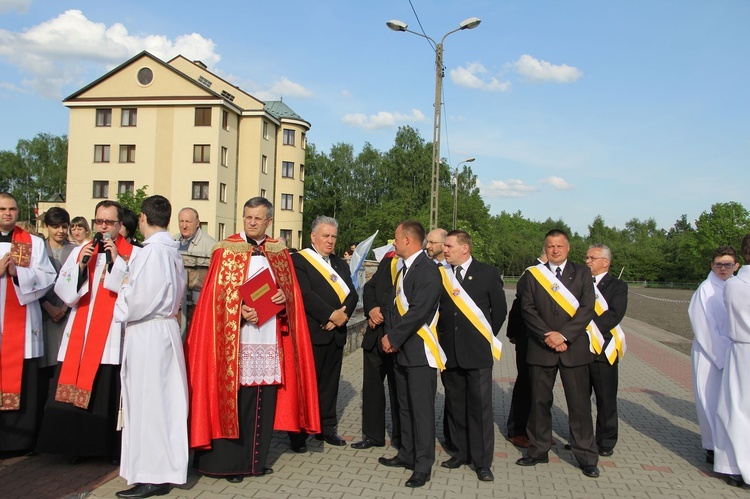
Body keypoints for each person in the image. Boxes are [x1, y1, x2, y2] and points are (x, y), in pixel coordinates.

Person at [187, 197, 319, 482]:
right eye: (248, 217)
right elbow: (214, 299)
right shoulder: (226, 249)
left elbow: (291, 294)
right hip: (236, 340)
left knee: (262, 400)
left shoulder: (279, 251)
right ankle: (229, 464)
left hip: (269, 337)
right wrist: (238, 313)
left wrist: (285, 300)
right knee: (237, 400)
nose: (252, 222)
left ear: (268, 221)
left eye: (258, 218)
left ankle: (254, 462)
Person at [36, 200, 138, 463]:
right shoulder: (82, 249)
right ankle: (75, 446)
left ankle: (108, 449)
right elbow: (64, 291)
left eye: (109, 222)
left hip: (112, 334)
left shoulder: (132, 253)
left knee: (107, 388)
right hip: (80, 331)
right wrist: (81, 266)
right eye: (99, 222)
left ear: (120, 225)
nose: (103, 227)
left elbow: (132, 290)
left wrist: (116, 262)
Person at [112, 195, 187, 498]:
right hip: (163, 330)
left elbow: (138, 299)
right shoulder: (171, 251)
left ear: (142, 218)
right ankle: (161, 470)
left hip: (149, 333)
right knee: (162, 402)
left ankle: (153, 476)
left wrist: (121, 298)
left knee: (150, 404)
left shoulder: (152, 253)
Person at [516, 229, 599, 478]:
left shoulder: (582, 273)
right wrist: (548, 336)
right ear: (546, 248)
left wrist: (563, 335)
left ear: (568, 248)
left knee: (579, 404)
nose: (555, 250)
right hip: (542, 347)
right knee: (539, 402)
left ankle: (586, 456)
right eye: (550, 246)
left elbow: (587, 308)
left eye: (559, 246)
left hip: (573, 348)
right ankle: (538, 450)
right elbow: (527, 308)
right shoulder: (533, 275)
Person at [378, 220, 443, 488]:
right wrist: (392, 339)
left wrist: (393, 337)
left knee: (421, 410)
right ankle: (406, 453)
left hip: (418, 351)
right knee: (403, 405)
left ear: (407, 240)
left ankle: (423, 463)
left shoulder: (427, 270)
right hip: (401, 350)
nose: (393, 243)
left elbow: (418, 311)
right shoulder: (404, 268)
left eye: (396, 238)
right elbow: (394, 307)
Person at [438, 230, 506, 482]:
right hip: (449, 352)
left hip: (477, 353)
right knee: (456, 407)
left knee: (480, 409)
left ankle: (482, 461)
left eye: (449, 246)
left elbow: (499, 311)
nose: (444, 250)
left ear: (465, 248)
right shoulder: (442, 274)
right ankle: (460, 452)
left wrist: (482, 338)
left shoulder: (488, 273)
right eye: (444, 246)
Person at [290, 216, 358, 450]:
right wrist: (330, 315)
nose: (330, 241)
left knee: (329, 385)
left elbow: (353, 294)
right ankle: (298, 433)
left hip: (334, 333)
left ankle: (325, 428)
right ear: (313, 237)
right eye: (325, 236)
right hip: (313, 331)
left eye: (333, 237)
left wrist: (341, 316)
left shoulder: (340, 263)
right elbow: (305, 294)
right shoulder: (299, 260)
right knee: (306, 385)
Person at [0, 192, 56, 453]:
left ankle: (20, 442)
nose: (7, 213)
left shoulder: (32, 242)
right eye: (2, 209)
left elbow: (47, 276)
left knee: (25, 380)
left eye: (12, 209)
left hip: (21, 326)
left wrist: (18, 273)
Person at [689, 246, 737, 466]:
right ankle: (711, 446)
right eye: (718, 264)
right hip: (711, 353)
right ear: (712, 265)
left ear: (736, 266)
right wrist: (723, 357)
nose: (723, 268)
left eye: (727, 264)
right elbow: (703, 327)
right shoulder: (706, 289)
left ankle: (727, 444)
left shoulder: (738, 287)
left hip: (735, 353)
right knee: (709, 398)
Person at [351, 253, 401, 450]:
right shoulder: (388, 262)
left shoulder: (420, 267)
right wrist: (372, 309)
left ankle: (400, 438)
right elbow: (369, 288)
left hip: (398, 339)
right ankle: (373, 436)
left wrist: (384, 313)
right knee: (372, 389)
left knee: (399, 392)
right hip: (374, 336)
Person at [585, 244, 628, 457]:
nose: (587, 261)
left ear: (605, 262)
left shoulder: (618, 286)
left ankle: (606, 441)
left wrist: (590, 331)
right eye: (587, 257)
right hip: (581, 349)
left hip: (604, 349)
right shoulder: (580, 283)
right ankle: (582, 439)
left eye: (592, 258)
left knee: (605, 399)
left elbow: (615, 314)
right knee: (580, 399)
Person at [714, 235, 750, 487]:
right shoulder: (736, 285)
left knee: (735, 408)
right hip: (742, 348)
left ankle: (733, 465)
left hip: (741, 350)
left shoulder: (734, 284)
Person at [506, 249, 547, 448]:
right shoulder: (533, 272)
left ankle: (538, 431)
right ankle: (517, 430)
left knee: (540, 386)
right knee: (525, 383)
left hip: (545, 338)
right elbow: (520, 304)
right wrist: (513, 333)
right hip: (528, 337)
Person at [425, 228, 455, 452]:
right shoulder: (427, 269)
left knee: (452, 392)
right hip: (426, 338)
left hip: (449, 340)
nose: (428, 246)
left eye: (433, 243)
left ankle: (452, 439)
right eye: (428, 242)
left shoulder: (451, 271)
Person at [39, 207, 74, 373]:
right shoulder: (38, 250)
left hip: (67, 313)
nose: (60, 231)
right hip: (43, 312)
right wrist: (47, 306)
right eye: (55, 227)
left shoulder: (75, 251)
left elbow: (81, 283)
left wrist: (64, 307)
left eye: (64, 226)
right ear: (47, 226)